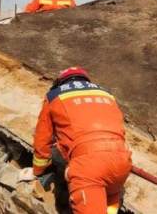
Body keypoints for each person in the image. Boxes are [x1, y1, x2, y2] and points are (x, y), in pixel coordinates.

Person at [32, 67, 132, 214]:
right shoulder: (107, 94)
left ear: (61, 82)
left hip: (88, 166)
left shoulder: (54, 96)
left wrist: (38, 171)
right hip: (122, 161)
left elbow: (42, 139)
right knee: (109, 207)